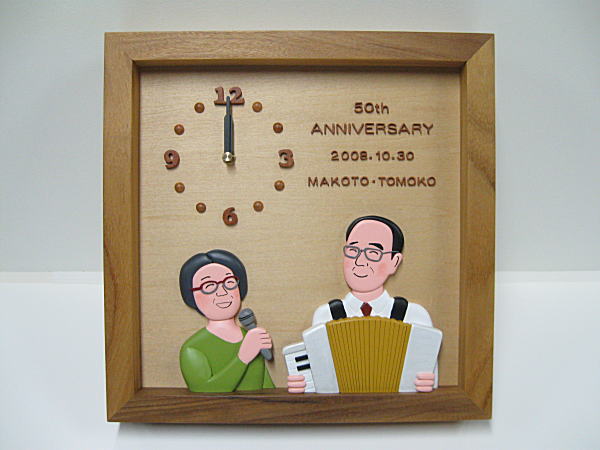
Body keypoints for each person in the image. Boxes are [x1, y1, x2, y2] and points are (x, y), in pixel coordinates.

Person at [287, 216, 437, 393]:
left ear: (394, 262)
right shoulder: (326, 315)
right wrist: (305, 383)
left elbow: (429, 377)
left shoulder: (414, 316)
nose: (359, 261)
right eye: (353, 250)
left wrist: (428, 382)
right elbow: (320, 378)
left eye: (373, 253)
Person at [179, 249, 274, 392]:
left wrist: (291, 391)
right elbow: (204, 390)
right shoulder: (192, 349)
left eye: (229, 282)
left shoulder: (252, 339)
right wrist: (242, 358)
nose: (222, 292)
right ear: (191, 296)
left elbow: (264, 386)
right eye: (209, 286)